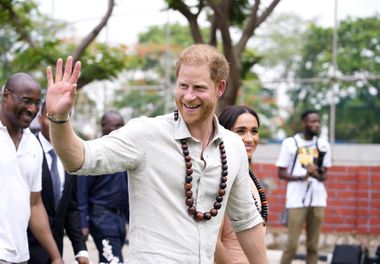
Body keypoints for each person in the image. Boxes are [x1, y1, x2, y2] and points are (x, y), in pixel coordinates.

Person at [45, 44, 268, 263]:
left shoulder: (232, 146)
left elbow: (246, 220)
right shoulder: (146, 134)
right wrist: (59, 119)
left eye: (198, 88)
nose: (189, 97)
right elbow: (80, 158)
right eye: (183, 86)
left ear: (220, 88)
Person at [0, 73, 63, 263]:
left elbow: (34, 204)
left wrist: (55, 256)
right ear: (6, 95)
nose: (33, 109)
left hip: (21, 256)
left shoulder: (33, 144)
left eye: (37, 102)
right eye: (27, 100)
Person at [27, 101, 89, 264]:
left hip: (57, 255)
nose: (57, 122)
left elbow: (71, 207)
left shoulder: (69, 156)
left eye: (64, 117)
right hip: (26, 252)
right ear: (40, 118)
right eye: (50, 117)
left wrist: (80, 249)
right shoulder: (26, 151)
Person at [276, 110, 332, 264]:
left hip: (318, 198)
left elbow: (324, 176)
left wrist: (315, 174)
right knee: (292, 245)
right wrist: (302, 177)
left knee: (313, 246)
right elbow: (281, 173)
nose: (316, 125)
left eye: (318, 122)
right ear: (304, 123)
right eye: (312, 121)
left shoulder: (323, 145)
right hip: (296, 199)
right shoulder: (290, 143)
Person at [215, 105, 268, 264]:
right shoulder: (220, 178)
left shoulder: (248, 175)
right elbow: (212, 242)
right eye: (241, 131)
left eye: (254, 131)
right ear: (224, 133)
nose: (250, 139)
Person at [77, 110, 129, 263]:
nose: (120, 129)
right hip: (102, 217)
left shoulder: (125, 152)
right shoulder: (94, 152)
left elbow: (127, 190)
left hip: (119, 218)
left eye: (122, 125)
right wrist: (83, 223)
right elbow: (82, 192)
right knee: (113, 260)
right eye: (116, 125)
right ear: (104, 126)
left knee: (111, 259)